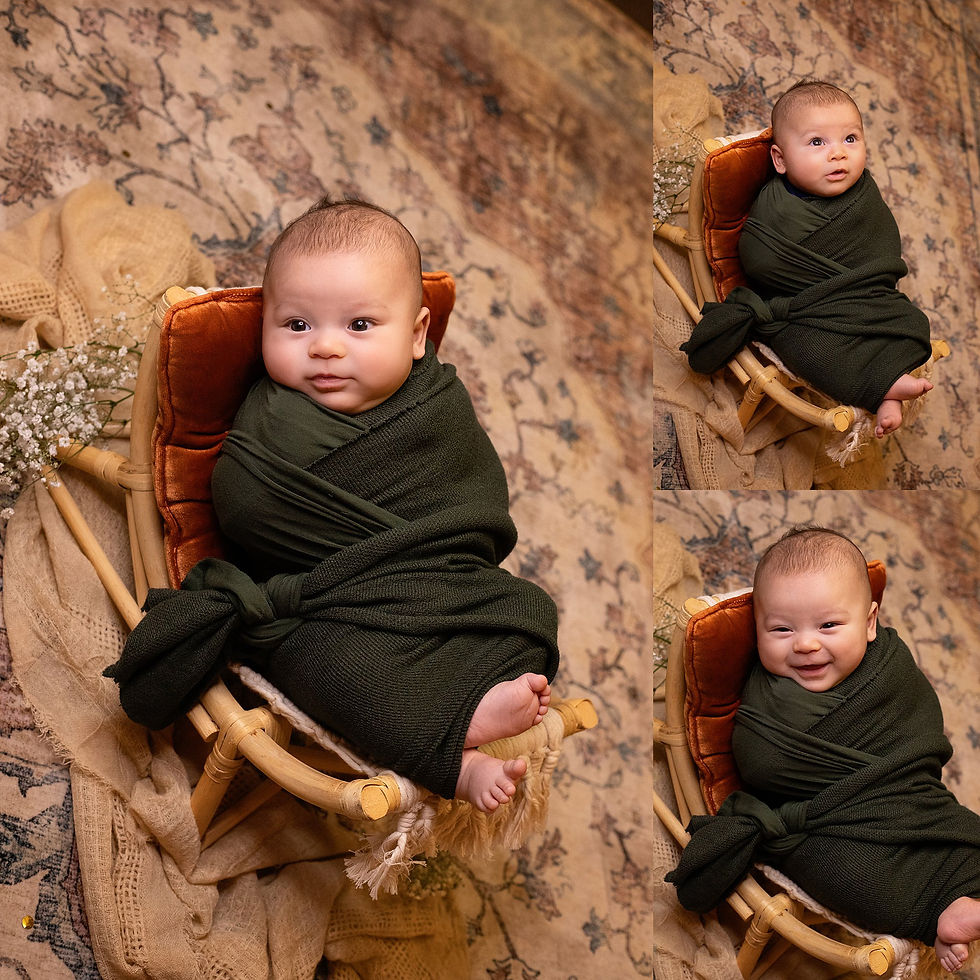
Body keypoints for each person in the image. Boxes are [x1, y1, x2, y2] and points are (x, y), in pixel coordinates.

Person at [104, 198, 560, 813]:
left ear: (418, 335)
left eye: (360, 326)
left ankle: (463, 697)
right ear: (265, 324)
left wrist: (433, 569)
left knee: (527, 614)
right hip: (318, 604)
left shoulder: (433, 403)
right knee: (334, 671)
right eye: (297, 325)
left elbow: (472, 506)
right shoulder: (270, 430)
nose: (324, 348)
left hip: (428, 581)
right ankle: (452, 758)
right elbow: (247, 508)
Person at [666, 527, 980, 973]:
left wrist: (897, 780)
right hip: (815, 824)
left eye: (829, 625)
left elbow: (919, 734)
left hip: (899, 794)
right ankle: (938, 915)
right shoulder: (768, 704)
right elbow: (763, 764)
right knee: (863, 882)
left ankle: (966, 891)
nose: (806, 644)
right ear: (756, 630)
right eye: (780, 629)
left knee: (958, 832)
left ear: (870, 623)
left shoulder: (888, 667)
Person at [682, 79, 934, 438]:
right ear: (780, 160)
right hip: (803, 308)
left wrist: (865, 287)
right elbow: (761, 261)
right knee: (812, 352)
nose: (838, 154)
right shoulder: (776, 208)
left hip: (862, 295)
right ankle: (883, 387)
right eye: (818, 142)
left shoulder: (863, 194)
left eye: (850, 139)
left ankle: (885, 391)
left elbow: (881, 255)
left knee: (910, 324)